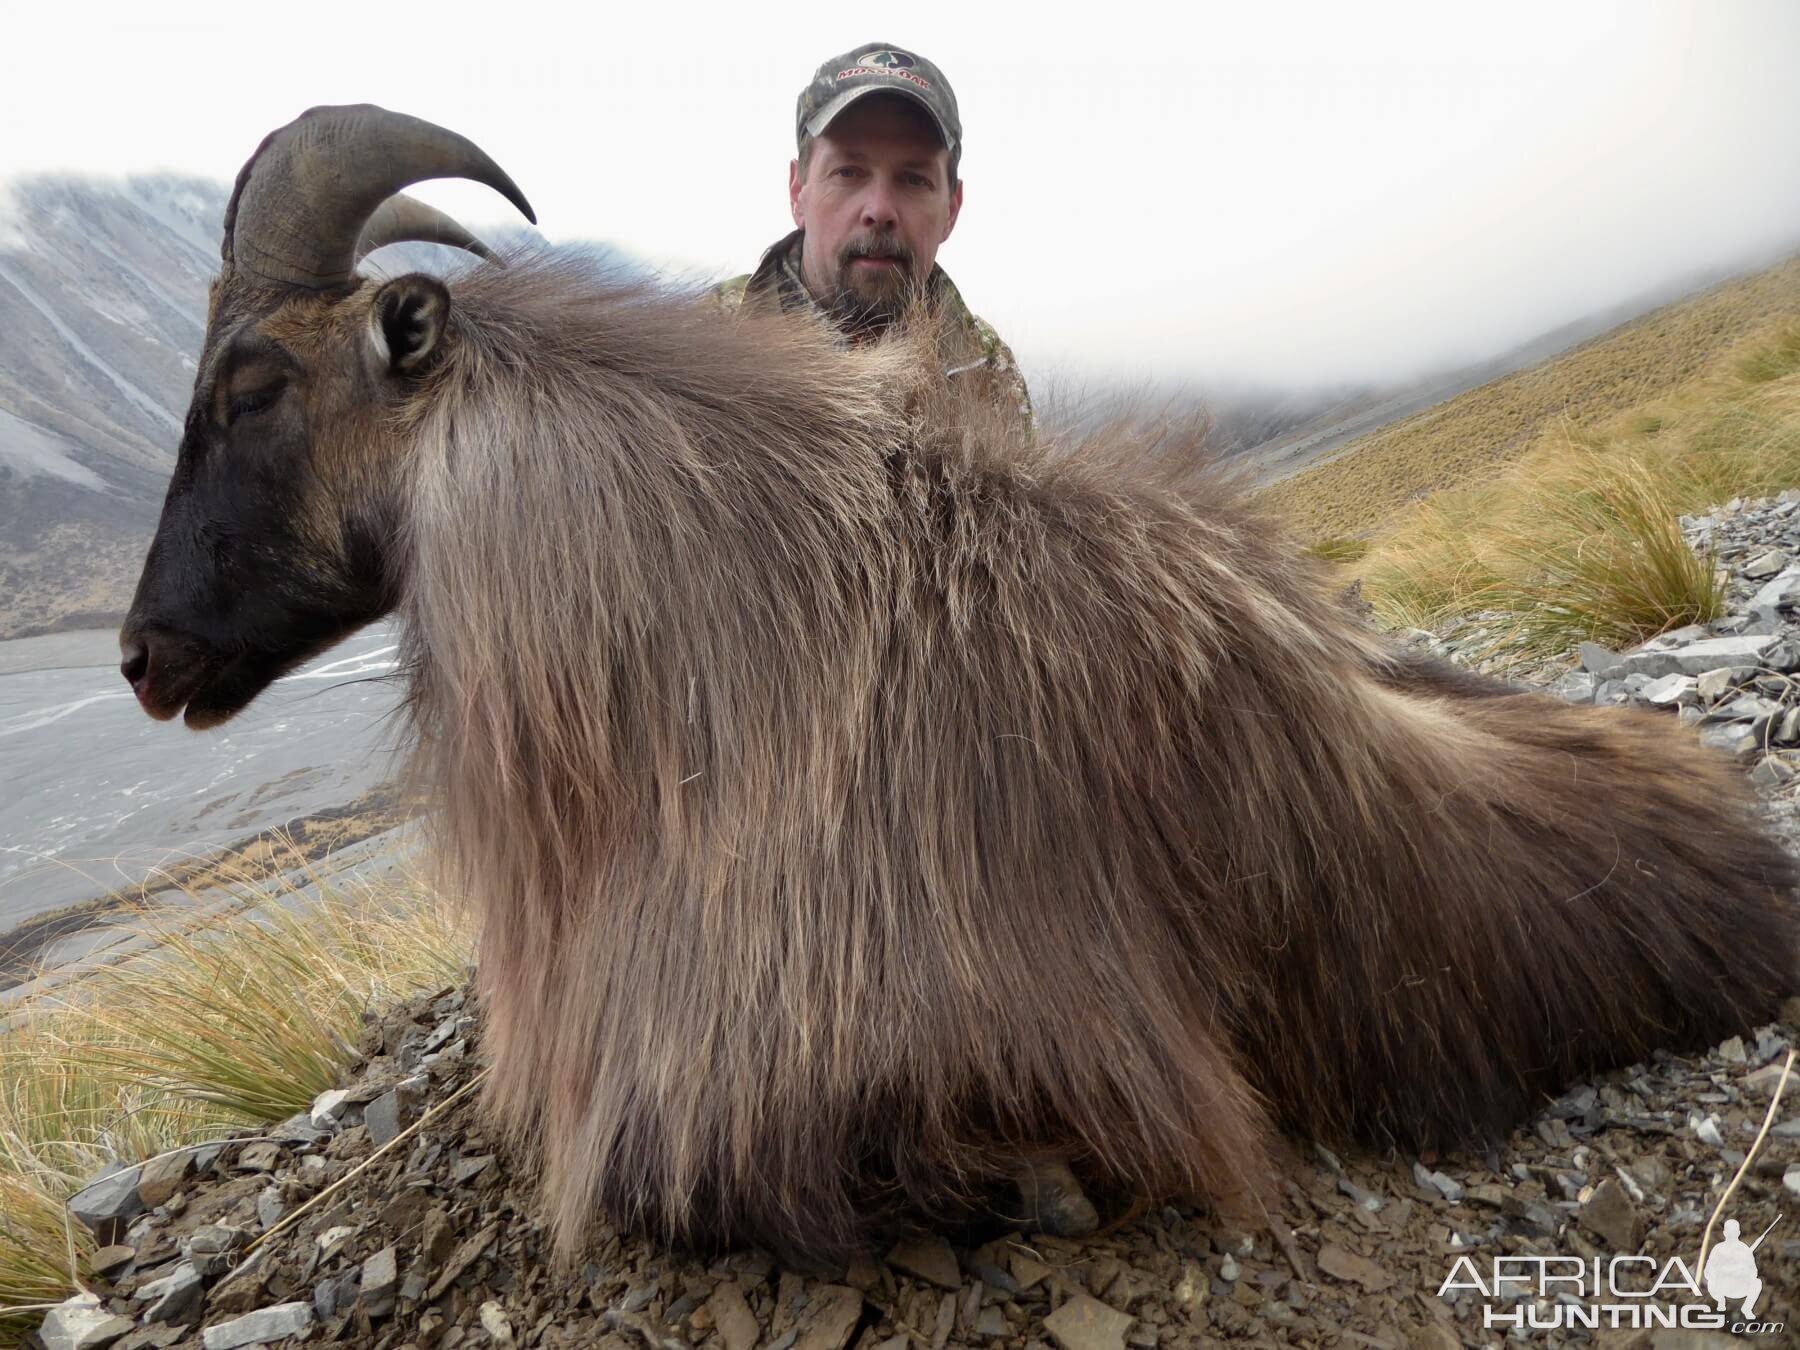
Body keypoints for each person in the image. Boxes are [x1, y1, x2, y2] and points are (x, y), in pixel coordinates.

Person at [714, 43, 1033, 428]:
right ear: (798, 192)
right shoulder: (706, 338)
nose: (879, 210)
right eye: (848, 172)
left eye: (914, 179)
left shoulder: (988, 373)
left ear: (951, 209)